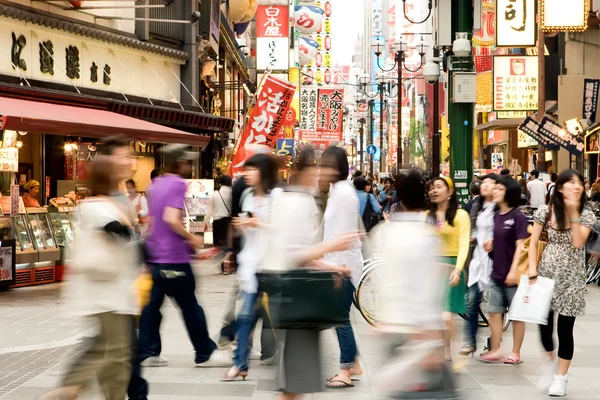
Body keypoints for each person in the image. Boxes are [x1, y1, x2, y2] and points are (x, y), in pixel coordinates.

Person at [264, 147, 358, 400]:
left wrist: (333, 266)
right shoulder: (293, 201)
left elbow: (305, 253)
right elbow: (289, 255)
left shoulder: (303, 199)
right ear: (303, 169)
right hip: (295, 298)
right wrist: (332, 249)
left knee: (297, 386)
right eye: (317, 166)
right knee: (295, 386)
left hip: (300, 300)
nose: (321, 172)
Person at [41, 157, 137, 400]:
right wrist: (130, 223)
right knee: (114, 349)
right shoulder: (96, 206)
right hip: (105, 290)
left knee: (115, 351)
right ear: (109, 176)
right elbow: (119, 231)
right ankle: (68, 388)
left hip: (114, 290)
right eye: (118, 167)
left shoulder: (104, 203)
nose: (124, 168)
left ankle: (95, 392)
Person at [138, 144, 229, 368]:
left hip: (155, 256)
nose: (189, 165)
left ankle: (148, 352)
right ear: (178, 162)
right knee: (190, 308)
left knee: (151, 309)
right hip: (174, 257)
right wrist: (191, 238)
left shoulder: (154, 186)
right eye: (187, 161)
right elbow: (171, 218)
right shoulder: (178, 184)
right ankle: (204, 352)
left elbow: (152, 221)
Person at [371, 171, 454, 396]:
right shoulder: (426, 236)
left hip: (391, 324)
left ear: (400, 199)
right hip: (419, 332)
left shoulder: (383, 232)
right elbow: (426, 290)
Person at [528, 169, 596, 397]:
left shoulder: (586, 214)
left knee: (565, 330)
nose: (577, 187)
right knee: (544, 327)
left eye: (580, 183)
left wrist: (574, 212)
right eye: (571, 183)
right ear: (560, 187)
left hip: (572, 279)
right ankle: (549, 362)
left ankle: (561, 378)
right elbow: (533, 242)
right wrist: (531, 272)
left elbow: (578, 242)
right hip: (546, 274)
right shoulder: (544, 211)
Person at [222, 154, 280, 381]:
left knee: (279, 318)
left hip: (274, 266)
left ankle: (288, 361)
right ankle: (240, 364)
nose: (247, 173)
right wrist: (243, 227)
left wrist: (257, 223)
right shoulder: (247, 197)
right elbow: (250, 233)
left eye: (252, 169)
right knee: (245, 316)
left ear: (263, 171)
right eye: (246, 169)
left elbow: (282, 229)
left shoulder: (277, 197)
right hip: (252, 266)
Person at [101, 136, 148, 400]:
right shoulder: (104, 199)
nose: (129, 161)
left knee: (124, 356)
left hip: (123, 292)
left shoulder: (121, 195)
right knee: (121, 355)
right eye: (123, 156)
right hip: (110, 295)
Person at [320, 146, 363, 389]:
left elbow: (345, 234)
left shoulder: (344, 193)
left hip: (343, 265)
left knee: (339, 317)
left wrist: (339, 268)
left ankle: (346, 370)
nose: (323, 170)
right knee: (337, 316)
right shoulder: (337, 191)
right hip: (338, 263)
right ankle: (353, 363)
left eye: (327, 166)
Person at [480, 177, 528, 364]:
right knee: (494, 312)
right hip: (496, 272)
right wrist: (491, 243)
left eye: (499, 188)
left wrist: (514, 271)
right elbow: (498, 238)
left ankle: (515, 352)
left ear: (509, 193)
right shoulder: (495, 215)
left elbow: (521, 246)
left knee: (517, 316)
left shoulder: (517, 216)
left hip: (512, 275)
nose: (495, 191)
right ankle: (495, 349)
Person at [427, 177, 470, 364]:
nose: (434, 191)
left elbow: (464, 244)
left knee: (445, 313)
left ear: (450, 192)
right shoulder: (426, 216)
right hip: (430, 266)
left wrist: (458, 269)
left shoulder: (461, 216)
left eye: (438, 187)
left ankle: (446, 347)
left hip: (452, 266)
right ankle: (436, 347)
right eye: (431, 188)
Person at [459, 174, 497, 356]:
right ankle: (470, 341)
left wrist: (495, 240)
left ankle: (493, 343)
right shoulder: (477, 205)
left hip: (495, 261)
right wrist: (472, 236)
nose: (485, 185)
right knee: (472, 300)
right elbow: (473, 228)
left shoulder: (499, 207)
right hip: (478, 260)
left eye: (490, 183)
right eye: (484, 183)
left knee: (496, 308)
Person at [204, 175, 233, 250]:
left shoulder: (214, 194)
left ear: (220, 183)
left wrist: (205, 223)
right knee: (229, 246)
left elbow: (209, 212)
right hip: (229, 223)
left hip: (217, 223)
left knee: (218, 247)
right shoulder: (233, 193)